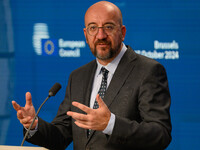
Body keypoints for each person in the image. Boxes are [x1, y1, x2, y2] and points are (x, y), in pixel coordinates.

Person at [12, 1, 172, 150]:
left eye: (108, 27)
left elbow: (160, 134)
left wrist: (111, 124)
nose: (100, 35)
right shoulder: (78, 76)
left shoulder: (148, 70)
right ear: (85, 34)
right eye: (93, 28)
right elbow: (60, 136)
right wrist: (34, 125)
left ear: (122, 32)